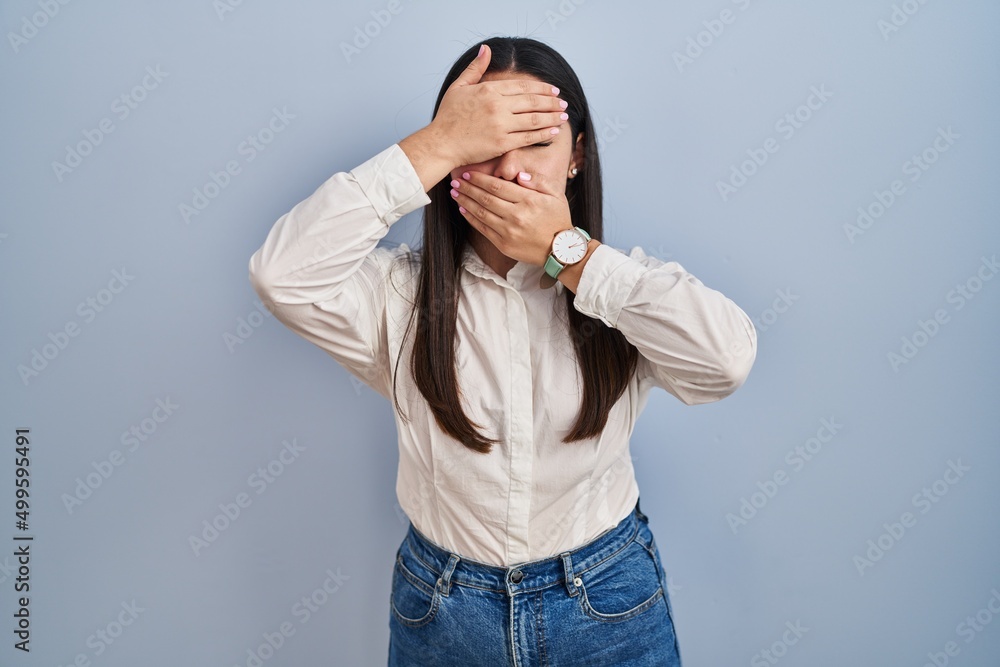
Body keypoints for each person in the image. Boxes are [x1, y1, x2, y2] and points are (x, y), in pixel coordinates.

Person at [248, 35, 756, 667]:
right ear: (452, 167)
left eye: (538, 145)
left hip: (606, 603)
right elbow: (282, 276)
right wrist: (434, 144)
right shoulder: (396, 296)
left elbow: (724, 362)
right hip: (443, 610)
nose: (513, 173)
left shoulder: (625, 291)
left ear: (577, 157)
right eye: (484, 147)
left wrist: (570, 255)